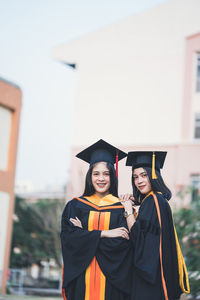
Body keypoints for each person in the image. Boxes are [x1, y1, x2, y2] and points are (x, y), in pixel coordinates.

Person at [61, 139, 132, 300]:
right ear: (90, 176)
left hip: (111, 282)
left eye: (106, 174)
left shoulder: (121, 208)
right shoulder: (75, 206)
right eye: (96, 174)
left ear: (113, 177)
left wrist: (85, 234)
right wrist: (105, 234)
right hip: (82, 280)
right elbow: (69, 240)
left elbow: (123, 244)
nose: (101, 178)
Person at [120, 151, 190, 300]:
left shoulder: (153, 201)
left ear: (154, 175)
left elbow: (138, 238)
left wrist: (127, 210)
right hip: (160, 278)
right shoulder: (158, 200)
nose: (139, 181)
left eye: (144, 175)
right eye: (136, 177)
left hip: (151, 283)